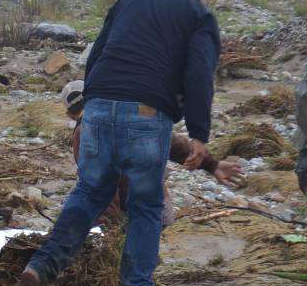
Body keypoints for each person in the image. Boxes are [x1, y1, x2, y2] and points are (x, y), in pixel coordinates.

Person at [16, 0, 221, 286]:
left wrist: (95, 101)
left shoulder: (128, 2)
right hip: (145, 113)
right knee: (146, 206)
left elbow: (95, 58)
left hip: (96, 108)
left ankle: (39, 268)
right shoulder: (198, 15)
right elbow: (199, 75)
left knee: (89, 191)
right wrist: (199, 134)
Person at [59, 79, 245, 227]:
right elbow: (171, 139)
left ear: (69, 114)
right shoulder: (133, 107)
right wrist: (211, 164)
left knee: (131, 263)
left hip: (130, 212)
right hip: (159, 206)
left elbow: (101, 184)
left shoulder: (84, 132)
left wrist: (107, 228)